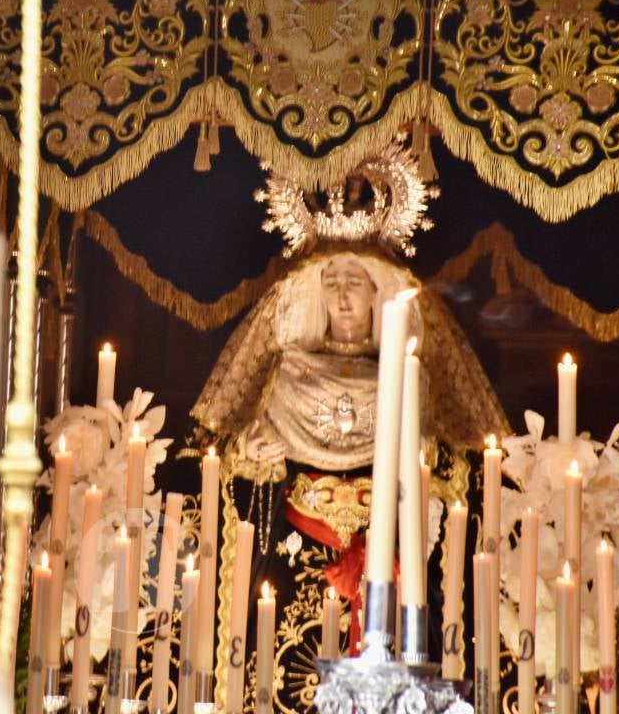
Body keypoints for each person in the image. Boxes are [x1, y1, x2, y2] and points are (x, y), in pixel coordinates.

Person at [190, 242, 508, 709]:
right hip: (299, 564)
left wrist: (424, 466)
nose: (342, 298)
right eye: (332, 283)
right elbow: (239, 474)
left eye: (354, 284)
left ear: (378, 293)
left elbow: (452, 474)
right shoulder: (286, 376)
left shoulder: (409, 379)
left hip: (389, 567)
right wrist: (256, 461)